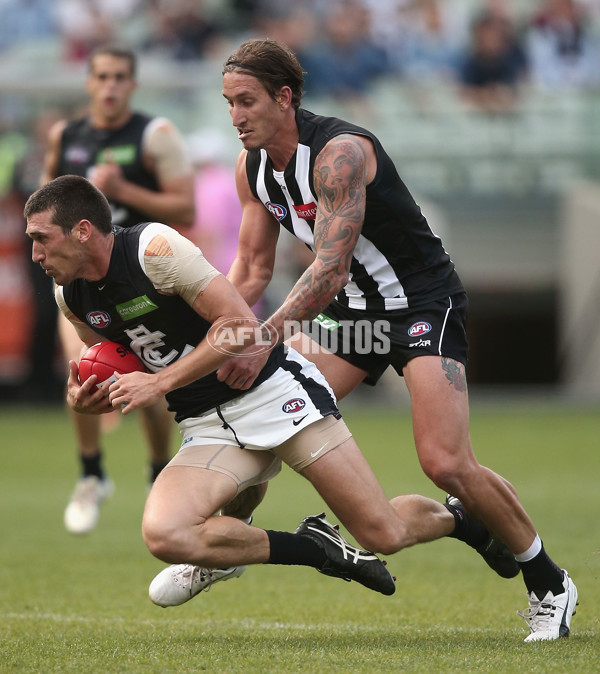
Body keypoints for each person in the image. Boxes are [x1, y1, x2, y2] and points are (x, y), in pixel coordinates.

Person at [208, 38, 575, 642]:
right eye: (227, 103)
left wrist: (265, 336)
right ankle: (214, 549)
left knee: (445, 462)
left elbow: (327, 267)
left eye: (246, 101)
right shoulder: (253, 172)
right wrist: (210, 336)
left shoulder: (339, 154)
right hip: (353, 314)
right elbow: (247, 272)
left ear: (284, 96)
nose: (235, 117)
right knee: (264, 409)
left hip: (423, 304)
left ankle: (550, 583)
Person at [25, 174, 516, 612]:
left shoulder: (153, 249)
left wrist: (161, 382)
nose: (35, 255)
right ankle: (318, 549)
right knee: (165, 534)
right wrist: (87, 396)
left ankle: (461, 521)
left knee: (383, 532)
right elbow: (117, 362)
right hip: (206, 426)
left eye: (42, 240)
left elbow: (240, 324)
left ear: (83, 230)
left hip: (274, 395)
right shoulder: (69, 295)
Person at [41, 44, 195, 535]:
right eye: (102, 76)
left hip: (141, 276)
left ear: (133, 84)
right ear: (89, 82)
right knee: (81, 369)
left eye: (120, 77)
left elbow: (186, 210)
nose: (110, 86)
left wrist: (122, 190)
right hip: (81, 281)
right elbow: (43, 207)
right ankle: (91, 475)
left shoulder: (156, 135)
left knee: (148, 386)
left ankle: (157, 470)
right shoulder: (65, 136)